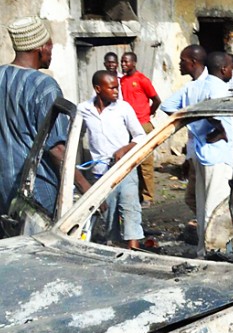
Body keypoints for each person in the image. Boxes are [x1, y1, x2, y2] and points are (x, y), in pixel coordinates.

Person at [1, 17, 86, 215]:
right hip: (35, 192)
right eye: (51, 46)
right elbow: (56, 149)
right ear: (42, 47)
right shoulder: (44, 86)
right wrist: (85, 187)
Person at [160, 46, 233, 252]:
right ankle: (217, 251)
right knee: (217, 206)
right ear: (222, 69)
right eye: (230, 68)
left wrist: (193, 122)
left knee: (203, 207)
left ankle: (204, 249)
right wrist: (219, 128)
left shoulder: (192, 88)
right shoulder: (218, 87)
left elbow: (167, 106)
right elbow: (215, 113)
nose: (232, 72)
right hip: (218, 154)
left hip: (201, 153)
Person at [77, 70, 146, 248]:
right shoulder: (83, 110)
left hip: (125, 167)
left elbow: (140, 136)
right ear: (98, 89)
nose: (116, 91)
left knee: (130, 208)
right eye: (112, 88)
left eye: (117, 87)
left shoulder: (124, 108)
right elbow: (77, 136)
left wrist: (125, 148)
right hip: (100, 172)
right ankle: (113, 246)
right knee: (109, 212)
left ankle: (134, 249)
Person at [119, 52, 161, 206]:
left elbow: (156, 100)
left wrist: (148, 114)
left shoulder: (142, 80)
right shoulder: (122, 81)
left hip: (142, 125)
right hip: (128, 126)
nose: (123, 64)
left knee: (146, 163)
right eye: (122, 62)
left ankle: (148, 197)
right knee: (131, 162)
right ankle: (135, 194)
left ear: (134, 63)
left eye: (126, 62)